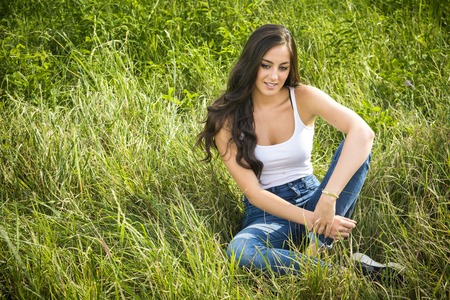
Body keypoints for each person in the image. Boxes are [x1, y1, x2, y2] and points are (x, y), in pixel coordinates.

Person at [196, 24, 374, 275]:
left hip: (316, 198)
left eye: (283, 67)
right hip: (268, 214)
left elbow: (364, 133)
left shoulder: (302, 97)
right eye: (265, 65)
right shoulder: (225, 119)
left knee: (356, 147)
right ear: (251, 63)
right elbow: (255, 194)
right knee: (240, 251)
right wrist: (315, 221)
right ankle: (339, 271)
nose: (274, 77)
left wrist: (327, 201)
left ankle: (315, 251)